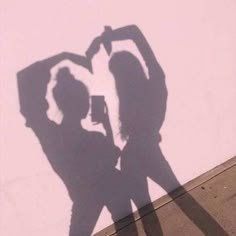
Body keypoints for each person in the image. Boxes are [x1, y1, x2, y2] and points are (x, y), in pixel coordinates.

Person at [88, 25, 228, 235]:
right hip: (150, 152)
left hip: (132, 157)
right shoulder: (155, 82)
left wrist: (102, 41)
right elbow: (136, 33)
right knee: (183, 200)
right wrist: (108, 36)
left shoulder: (129, 98)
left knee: (149, 213)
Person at [17, 52, 129, 236]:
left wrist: (64, 57)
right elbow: (110, 160)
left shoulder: (53, 135)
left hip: (85, 199)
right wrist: (64, 56)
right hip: (96, 194)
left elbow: (26, 86)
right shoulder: (64, 135)